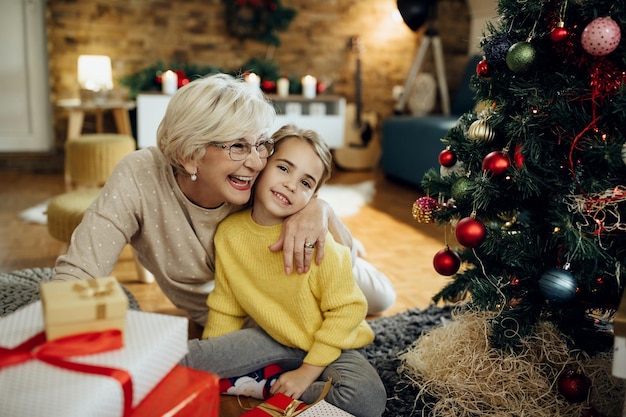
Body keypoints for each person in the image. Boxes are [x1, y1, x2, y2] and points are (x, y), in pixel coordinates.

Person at [52, 73, 395, 330]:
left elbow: (300, 178)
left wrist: (320, 209)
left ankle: (359, 251)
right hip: (225, 317)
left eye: (261, 143)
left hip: (292, 289)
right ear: (190, 154)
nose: (257, 161)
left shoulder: (257, 177)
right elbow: (81, 270)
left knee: (380, 298)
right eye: (238, 146)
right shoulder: (139, 176)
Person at [181, 125, 387, 417]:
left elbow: (348, 310)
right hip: (270, 339)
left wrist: (307, 372)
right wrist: (218, 357)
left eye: (305, 183)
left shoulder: (319, 244)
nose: (291, 184)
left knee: (366, 398)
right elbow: (227, 306)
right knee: (187, 360)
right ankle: (263, 380)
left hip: (328, 346)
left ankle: (267, 386)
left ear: (314, 196)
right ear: (262, 166)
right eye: (283, 168)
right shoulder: (229, 234)